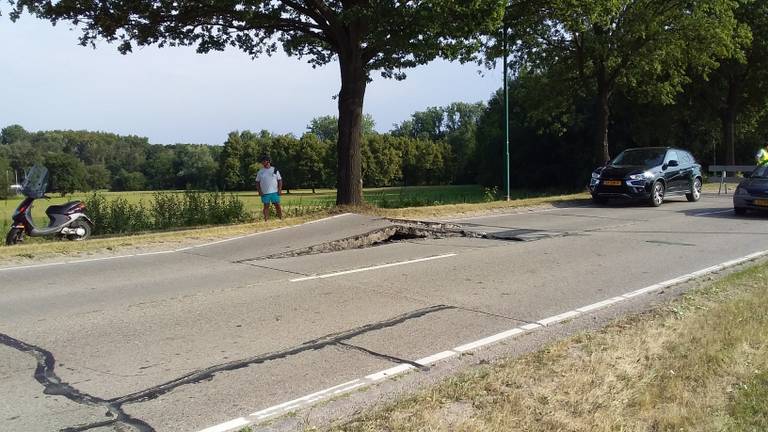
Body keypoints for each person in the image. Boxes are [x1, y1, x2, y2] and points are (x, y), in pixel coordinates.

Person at [255, 155, 283, 221]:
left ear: (268, 161)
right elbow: (257, 182)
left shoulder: (275, 170)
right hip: (265, 193)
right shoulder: (260, 172)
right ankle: (266, 220)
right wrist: (259, 191)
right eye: (262, 161)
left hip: (274, 192)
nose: (262, 163)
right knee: (266, 206)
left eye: (264, 161)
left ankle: (281, 218)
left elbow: (280, 180)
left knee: (277, 205)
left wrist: (279, 190)